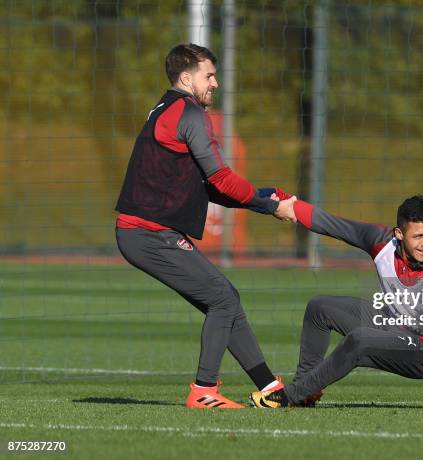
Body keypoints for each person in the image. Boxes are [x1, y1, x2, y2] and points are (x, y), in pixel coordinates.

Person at [115, 43, 296, 409]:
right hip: (147, 233)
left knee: (226, 298)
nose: (215, 83)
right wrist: (269, 206)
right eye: (208, 76)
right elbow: (224, 180)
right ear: (186, 77)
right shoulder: (191, 114)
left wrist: (265, 200)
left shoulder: (169, 108)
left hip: (148, 231)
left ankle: (269, 387)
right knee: (222, 298)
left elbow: (210, 188)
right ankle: (203, 391)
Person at [249, 193, 423, 410]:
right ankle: (305, 391)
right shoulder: (381, 241)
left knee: (360, 340)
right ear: (398, 234)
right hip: (394, 323)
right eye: (418, 236)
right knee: (319, 308)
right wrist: (290, 205)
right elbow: (332, 224)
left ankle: (288, 397)